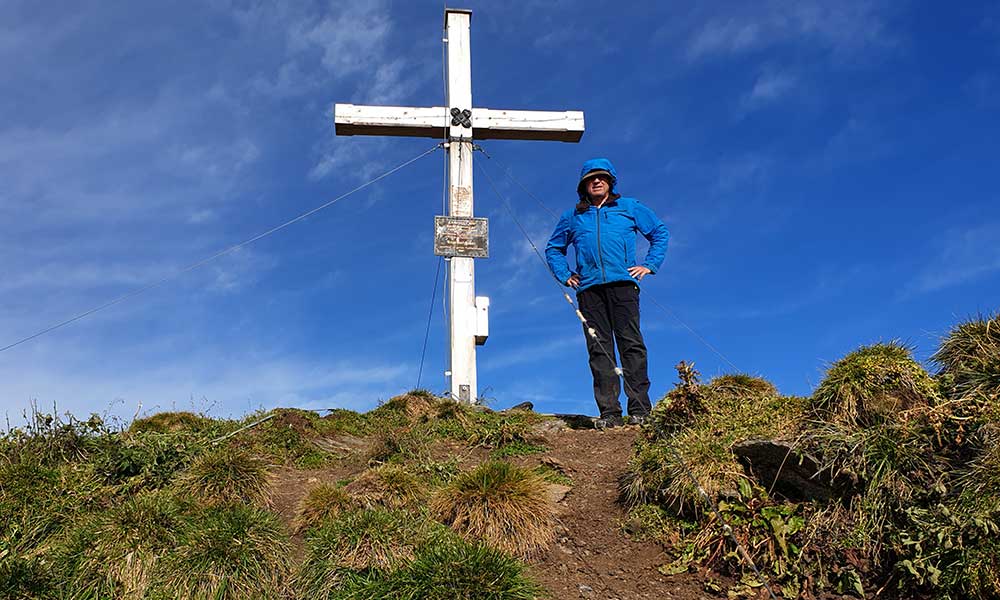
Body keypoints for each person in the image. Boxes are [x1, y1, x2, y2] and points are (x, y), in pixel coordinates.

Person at [545, 158, 669, 429]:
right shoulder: (573, 216)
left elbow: (660, 232)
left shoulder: (629, 207)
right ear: (583, 186)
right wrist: (565, 275)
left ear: (611, 181)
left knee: (631, 344)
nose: (597, 182)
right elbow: (554, 249)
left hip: (623, 285)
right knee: (599, 349)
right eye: (591, 179)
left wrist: (649, 265)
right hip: (588, 289)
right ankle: (610, 413)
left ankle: (640, 410)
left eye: (601, 177)